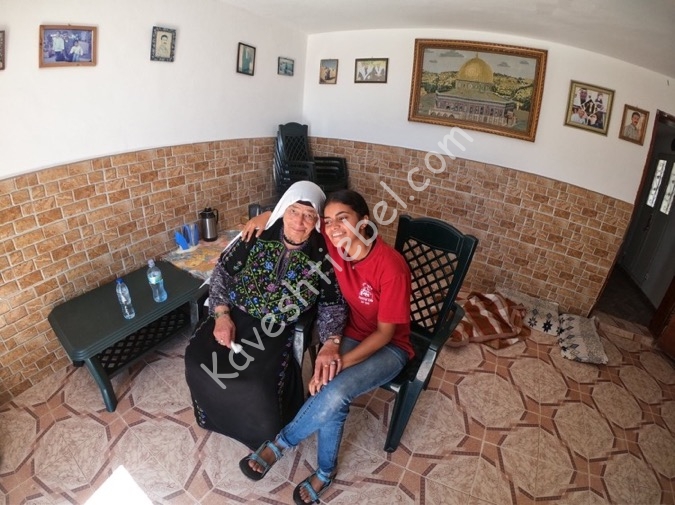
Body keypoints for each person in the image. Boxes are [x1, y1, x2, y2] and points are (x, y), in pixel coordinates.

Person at [238, 190, 413, 504]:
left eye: (343, 219)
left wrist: (341, 362)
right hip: (353, 333)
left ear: (364, 221)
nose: (333, 228)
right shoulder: (335, 245)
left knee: (335, 389)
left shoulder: (391, 266)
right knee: (331, 395)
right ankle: (325, 471)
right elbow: (299, 209)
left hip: (391, 348)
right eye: (329, 221)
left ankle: (279, 445)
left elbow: (386, 333)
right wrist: (265, 216)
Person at [184, 181, 348, 450]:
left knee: (257, 384)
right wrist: (222, 315)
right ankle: (212, 418)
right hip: (236, 315)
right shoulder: (259, 233)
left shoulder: (323, 253)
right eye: (294, 211)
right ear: (284, 210)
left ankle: (260, 437)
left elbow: (333, 304)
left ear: (317, 220)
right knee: (199, 361)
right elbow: (222, 272)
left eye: (309, 215)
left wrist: (331, 340)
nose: (299, 221)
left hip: (276, 328)